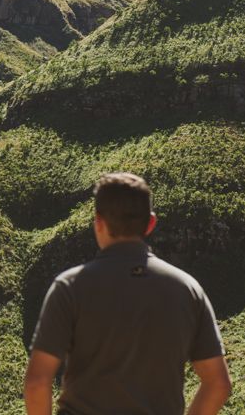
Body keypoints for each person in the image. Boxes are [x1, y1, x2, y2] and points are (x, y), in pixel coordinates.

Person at [23, 173, 233, 415]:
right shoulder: (187, 289)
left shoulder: (70, 287)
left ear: (98, 223)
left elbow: (37, 382)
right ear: (151, 223)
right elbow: (218, 383)